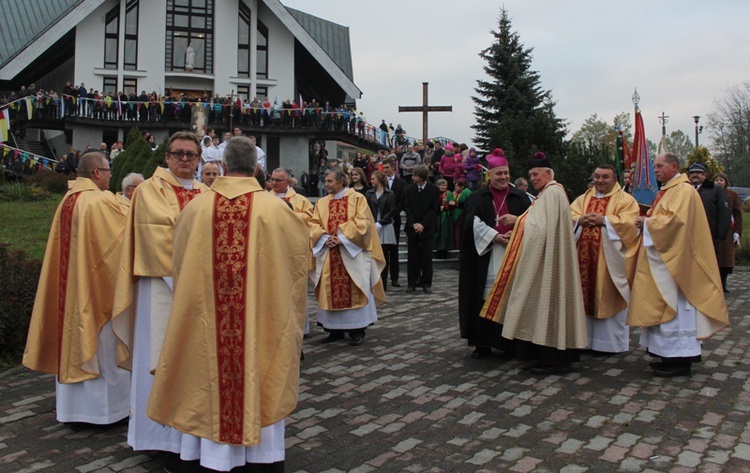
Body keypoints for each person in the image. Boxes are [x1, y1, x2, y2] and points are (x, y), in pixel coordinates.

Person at [146, 137, 308, 472]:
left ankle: (208, 458)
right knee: (261, 371)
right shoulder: (277, 209)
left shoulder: (195, 208)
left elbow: (178, 265)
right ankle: (261, 458)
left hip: (205, 322)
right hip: (260, 323)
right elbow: (296, 267)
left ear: (222, 165)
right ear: (256, 167)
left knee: (204, 377)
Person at [112, 131, 207, 456]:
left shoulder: (208, 193)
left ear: (198, 159)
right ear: (166, 157)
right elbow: (155, 238)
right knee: (160, 357)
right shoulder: (149, 191)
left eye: (191, 154)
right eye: (178, 153)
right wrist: (189, 283)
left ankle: (193, 436)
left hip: (203, 294)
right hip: (161, 289)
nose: (184, 159)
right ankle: (158, 440)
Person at [23, 151, 130, 424]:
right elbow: (122, 240)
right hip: (95, 292)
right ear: (97, 173)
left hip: (69, 288)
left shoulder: (68, 200)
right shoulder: (100, 201)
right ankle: (106, 414)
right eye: (107, 171)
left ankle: (72, 411)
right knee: (104, 345)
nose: (110, 175)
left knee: (71, 338)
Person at [481, 152, 587, 374]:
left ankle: (553, 359)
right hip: (546, 258)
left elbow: (540, 228)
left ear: (549, 173)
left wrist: (517, 221)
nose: (533, 179)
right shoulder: (546, 194)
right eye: (530, 175)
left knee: (548, 303)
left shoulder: (552, 193)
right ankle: (545, 355)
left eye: (536, 175)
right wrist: (520, 221)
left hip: (549, 263)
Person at [627, 153, 730, 377]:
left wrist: (648, 222)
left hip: (678, 263)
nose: (655, 170)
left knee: (678, 310)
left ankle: (680, 360)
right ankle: (666, 355)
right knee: (663, 305)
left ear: (674, 167)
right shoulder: (669, 190)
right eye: (654, 165)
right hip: (664, 259)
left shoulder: (683, 191)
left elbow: (677, 223)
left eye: (659, 166)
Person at [458, 149, 531, 359]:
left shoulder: (520, 196)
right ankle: (483, 343)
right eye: (499, 174)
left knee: (512, 298)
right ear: (489, 175)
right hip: (487, 256)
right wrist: (494, 236)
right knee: (485, 297)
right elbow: (469, 223)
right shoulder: (477, 197)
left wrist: (517, 226)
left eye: (506, 173)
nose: (504, 178)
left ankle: (510, 343)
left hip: (514, 254)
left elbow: (532, 220)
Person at [309, 168, 387, 346]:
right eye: (326, 181)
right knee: (329, 288)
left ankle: (357, 330)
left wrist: (342, 239)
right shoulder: (321, 203)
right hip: (329, 253)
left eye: (329, 181)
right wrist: (325, 237)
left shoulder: (358, 199)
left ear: (340, 182)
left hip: (351, 253)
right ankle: (333, 330)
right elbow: (313, 223)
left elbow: (364, 223)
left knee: (355, 285)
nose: (326, 185)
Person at [570, 164, 640, 355]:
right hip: (582, 259)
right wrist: (580, 220)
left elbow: (630, 223)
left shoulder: (626, 200)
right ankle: (583, 341)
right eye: (597, 177)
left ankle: (609, 344)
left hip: (609, 262)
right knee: (583, 296)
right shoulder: (583, 198)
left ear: (615, 179)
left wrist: (606, 221)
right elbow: (570, 213)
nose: (600, 181)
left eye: (605, 177)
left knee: (607, 295)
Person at [404, 164, 440, 294]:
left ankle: (426, 283)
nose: (413, 177)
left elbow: (433, 209)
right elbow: (407, 207)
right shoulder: (409, 189)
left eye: (415, 175)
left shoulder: (434, 190)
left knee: (426, 257)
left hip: (427, 228)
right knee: (412, 257)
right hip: (412, 227)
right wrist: (413, 223)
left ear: (422, 177)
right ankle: (411, 283)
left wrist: (423, 224)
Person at [687, 162, 731, 257]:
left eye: (698, 173)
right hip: (687, 236)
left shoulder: (715, 189)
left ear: (704, 175)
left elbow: (724, 213)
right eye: (692, 173)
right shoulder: (684, 189)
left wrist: (720, 235)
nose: (695, 175)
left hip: (709, 234)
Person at [366, 171, 397, 291]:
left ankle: (383, 282)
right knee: (372, 255)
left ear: (379, 179)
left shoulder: (390, 193)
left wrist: (381, 222)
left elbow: (392, 210)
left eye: (373, 179)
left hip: (385, 225)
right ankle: (373, 282)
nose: (371, 181)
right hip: (372, 224)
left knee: (384, 255)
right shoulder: (369, 193)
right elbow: (366, 208)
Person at [713, 173, 743, 292]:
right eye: (716, 180)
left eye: (721, 180)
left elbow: (738, 213)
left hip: (728, 231)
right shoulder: (710, 193)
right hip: (713, 228)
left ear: (725, 182)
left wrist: (737, 231)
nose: (719, 182)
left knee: (725, 259)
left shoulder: (733, 195)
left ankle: (723, 283)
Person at [382, 157, 406, 288]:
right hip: (382, 220)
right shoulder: (380, 182)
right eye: (383, 168)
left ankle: (395, 278)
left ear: (393, 168)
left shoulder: (401, 183)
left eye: (387, 168)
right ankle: (383, 277)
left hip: (394, 219)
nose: (385, 170)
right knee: (383, 250)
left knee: (394, 250)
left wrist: (392, 214)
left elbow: (402, 201)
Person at [434, 179, 455, 259]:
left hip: (446, 216)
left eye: (445, 185)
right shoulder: (435, 193)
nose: (443, 187)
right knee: (438, 234)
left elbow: (452, 203)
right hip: (437, 216)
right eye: (442, 185)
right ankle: (438, 250)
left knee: (445, 234)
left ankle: (445, 250)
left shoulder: (449, 194)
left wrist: (446, 206)